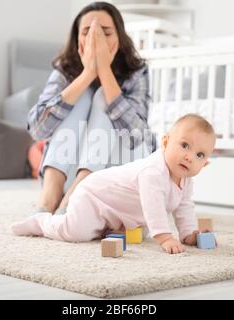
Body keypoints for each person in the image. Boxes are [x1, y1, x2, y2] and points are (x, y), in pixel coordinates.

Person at [12, 114, 216, 254]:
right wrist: (165, 238)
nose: (189, 157)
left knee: (140, 232)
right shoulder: (153, 171)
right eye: (184, 145)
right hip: (95, 196)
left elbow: (184, 207)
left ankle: (108, 228)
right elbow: (153, 208)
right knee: (75, 232)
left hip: (121, 212)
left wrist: (188, 234)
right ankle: (42, 222)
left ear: (205, 164)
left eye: (199, 154)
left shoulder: (186, 180)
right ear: (165, 142)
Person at [27, 2, 156, 215]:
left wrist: (104, 71)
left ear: (119, 38)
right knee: (79, 94)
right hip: (69, 171)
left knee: (103, 95)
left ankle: (79, 191)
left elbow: (136, 136)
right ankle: (50, 195)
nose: (96, 38)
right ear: (78, 40)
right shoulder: (64, 70)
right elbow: (37, 129)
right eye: (87, 31)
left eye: (105, 32)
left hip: (117, 170)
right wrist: (87, 74)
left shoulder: (136, 71)